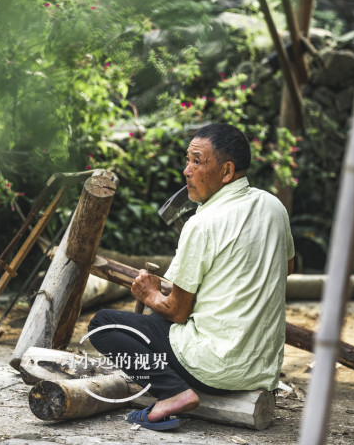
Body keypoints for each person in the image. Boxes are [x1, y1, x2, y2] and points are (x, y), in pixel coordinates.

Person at [87, 123, 295, 430]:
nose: (187, 170)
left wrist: (148, 294)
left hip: (211, 371)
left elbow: (177, 311)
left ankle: (173, 393)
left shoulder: (203, 223)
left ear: (227, 171)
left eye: (197, 161)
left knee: (103, 324)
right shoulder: (274, 206)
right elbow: (286, 269)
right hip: (260, 371)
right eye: (188, 160)